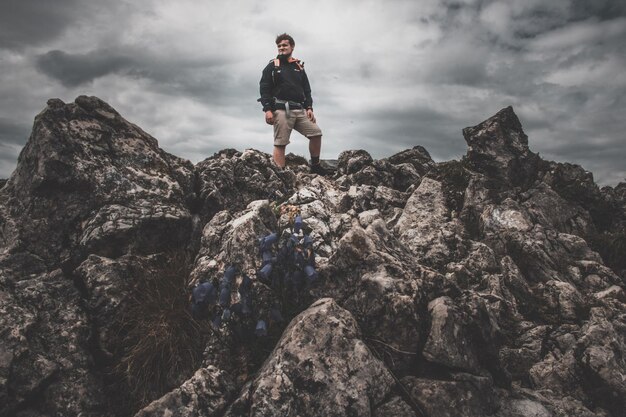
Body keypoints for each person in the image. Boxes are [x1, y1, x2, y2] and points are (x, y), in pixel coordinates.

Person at [259, 33, 328, 176]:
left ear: (292, 47)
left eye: (284, 45)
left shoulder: (299, 67)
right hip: (281, 109)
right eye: (279, 46)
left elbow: (307, 89)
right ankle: (280, 175)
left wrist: (309, 107)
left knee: (316, 133)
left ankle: (315, 166)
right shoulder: (272, 66)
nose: (281, 48)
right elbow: (264, 88)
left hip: (299, 109)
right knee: (280, 143)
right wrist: (267, 110)